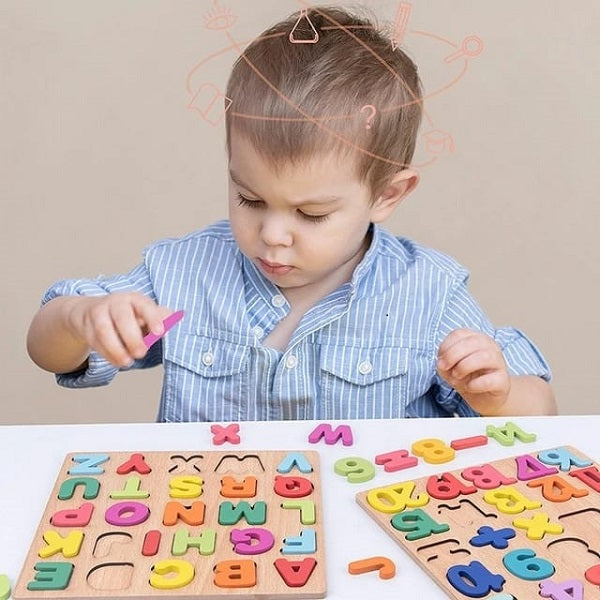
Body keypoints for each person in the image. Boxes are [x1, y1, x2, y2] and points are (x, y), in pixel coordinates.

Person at [26, 6, 556, 421]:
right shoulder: (182, 271)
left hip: (372, 540)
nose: (272, 235)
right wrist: (81, 319)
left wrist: (497, 394)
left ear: (387, 196)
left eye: (312, 213)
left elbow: (542, 414)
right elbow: (49, 352)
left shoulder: (429, 292)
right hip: (216, 533)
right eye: (250, 200)